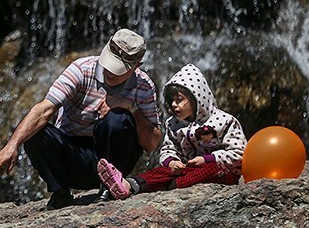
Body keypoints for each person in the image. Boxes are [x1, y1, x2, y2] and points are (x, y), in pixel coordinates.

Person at [0, 28, 162, 210]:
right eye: (109, 63)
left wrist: (130, 107)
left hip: (114, 159)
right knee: (35, 132)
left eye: (117, 69)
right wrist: (12, 145)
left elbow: (151, 144)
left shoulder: (144, 85)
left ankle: (109, 187)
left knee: (118, 118)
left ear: (136, 66)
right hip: (73, 157)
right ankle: (60, 193)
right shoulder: (82, 69)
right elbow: (43, 110)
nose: (109, 72)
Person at [97, 63, 247, 200]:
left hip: (222, 171)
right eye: (171, 101)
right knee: (165, 171)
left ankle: (171, 185)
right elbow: (168, 149)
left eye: (179, 99)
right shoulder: (174, 124)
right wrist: (171, 161)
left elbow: (240, 153)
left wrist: (208, 159)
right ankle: (130, 184)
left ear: (196, 98)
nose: (174, 105)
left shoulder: (224, 121)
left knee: (212, 169)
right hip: (186, 170)